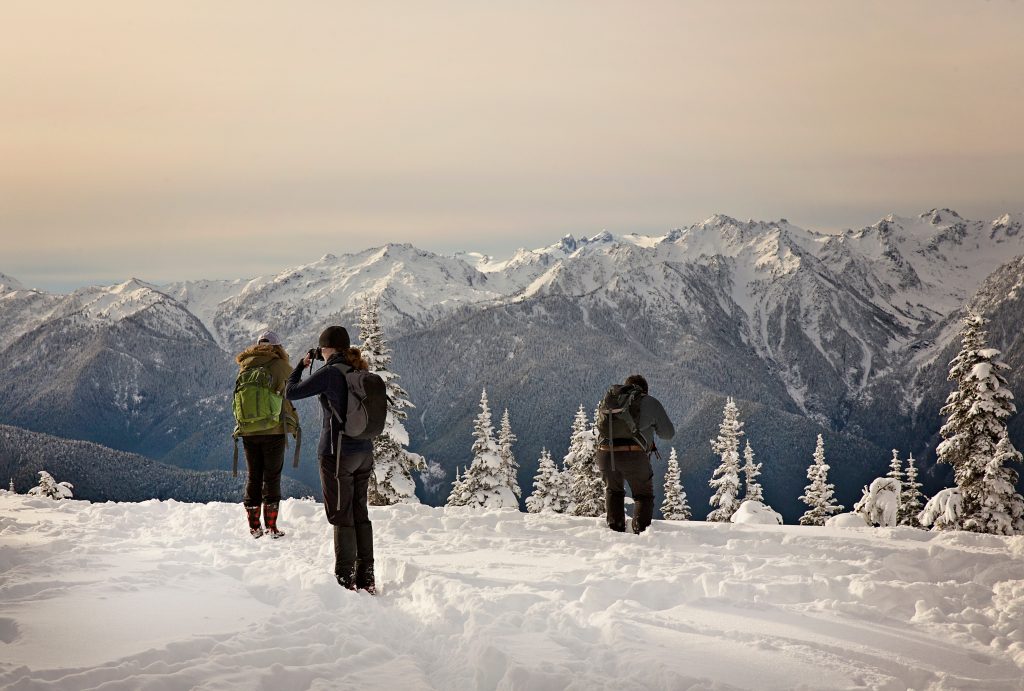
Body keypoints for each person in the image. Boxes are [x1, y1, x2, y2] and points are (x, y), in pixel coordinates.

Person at [286, 325, 376, 593]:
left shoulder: (329, 373)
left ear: (327, 348)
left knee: (341, 514)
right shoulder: (359, 370)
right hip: (364, 451)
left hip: (337, 455)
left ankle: (344, 580)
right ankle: (367, 577)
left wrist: (301, 366)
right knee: (360, 513)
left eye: (321, 347)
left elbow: (291, 392)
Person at [234, 330, 299, 539]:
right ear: (277, 347)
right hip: (273, 430)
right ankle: (271, 527)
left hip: (248, 430)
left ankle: (254, 527)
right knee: (271, 477)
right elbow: (292, 391)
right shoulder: (280, 366)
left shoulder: (245, 365)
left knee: (254, 475)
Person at [595, 374, 674, 534]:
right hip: (634, 455)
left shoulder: (612, 401)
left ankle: (615, 532)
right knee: (643, 495)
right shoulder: (650, 401)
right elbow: (668, 433)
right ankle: (642, 533)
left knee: (613, 491)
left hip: (605, 454)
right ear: (644, 390)